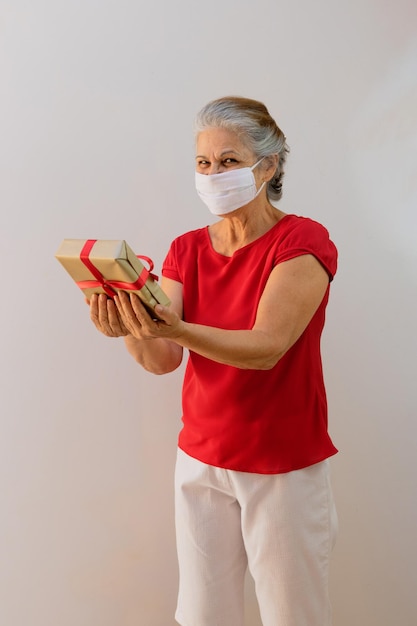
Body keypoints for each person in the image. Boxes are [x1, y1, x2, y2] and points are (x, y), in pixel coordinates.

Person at [89, 96, 338, 626]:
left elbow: (267, 346)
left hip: (281, 465)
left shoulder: (302, 241)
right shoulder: (186, 249)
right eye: (203, 163)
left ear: (267, 166)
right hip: (201, 459)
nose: (212, 174)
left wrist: (173, 326)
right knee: (203, 617)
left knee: (294, 617)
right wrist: (128, 324)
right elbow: (163, 358)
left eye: (228, 161)